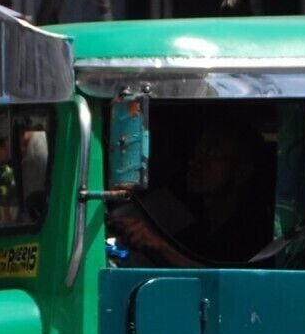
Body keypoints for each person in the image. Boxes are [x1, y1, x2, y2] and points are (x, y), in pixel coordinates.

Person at [109, 110, 275, 267]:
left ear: (242, 172)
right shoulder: (197, 228)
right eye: (198, 152)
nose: (195, 162)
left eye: (213, 155)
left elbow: (226, 282)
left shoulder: (255, 233)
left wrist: (160, 246)